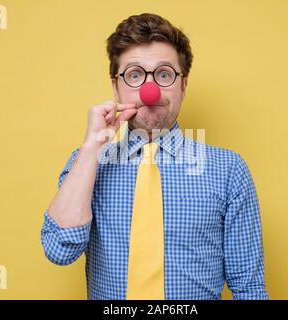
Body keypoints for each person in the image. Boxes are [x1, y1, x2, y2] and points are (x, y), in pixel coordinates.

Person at [40, 13, 269, 300]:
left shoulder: (229, 169)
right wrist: (90, 149)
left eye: (164, 74)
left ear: (183, 86)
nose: (151, 90)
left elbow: (249, 289)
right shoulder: (86, 162)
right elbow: (59, 250)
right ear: (116, 87)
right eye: (135, 75)